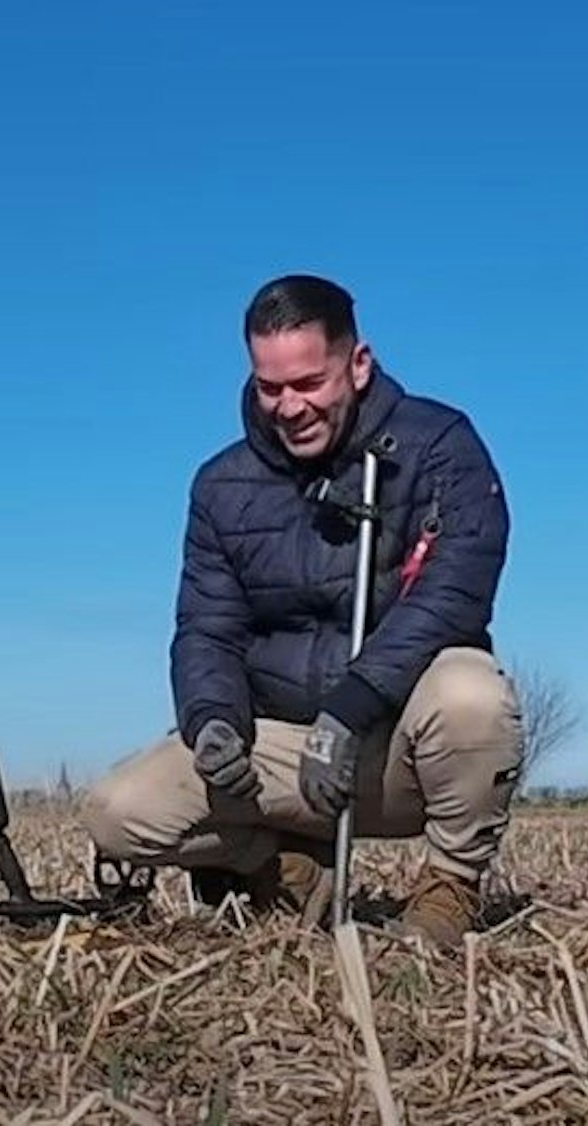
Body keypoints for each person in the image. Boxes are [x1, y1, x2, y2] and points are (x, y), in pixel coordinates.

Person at [82, 273, 525, 949]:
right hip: (287, 750)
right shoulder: (219, 485)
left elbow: (455, 594)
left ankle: (448, 887)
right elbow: (206, 629)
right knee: (119, 811)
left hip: (391, 745)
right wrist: (214, 723)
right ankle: (282, 869)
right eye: (271, 388)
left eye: (309, 384)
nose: (290, 407)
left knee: (472, 694)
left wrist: (352, 705)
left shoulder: (441, 446)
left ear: (358, 364)